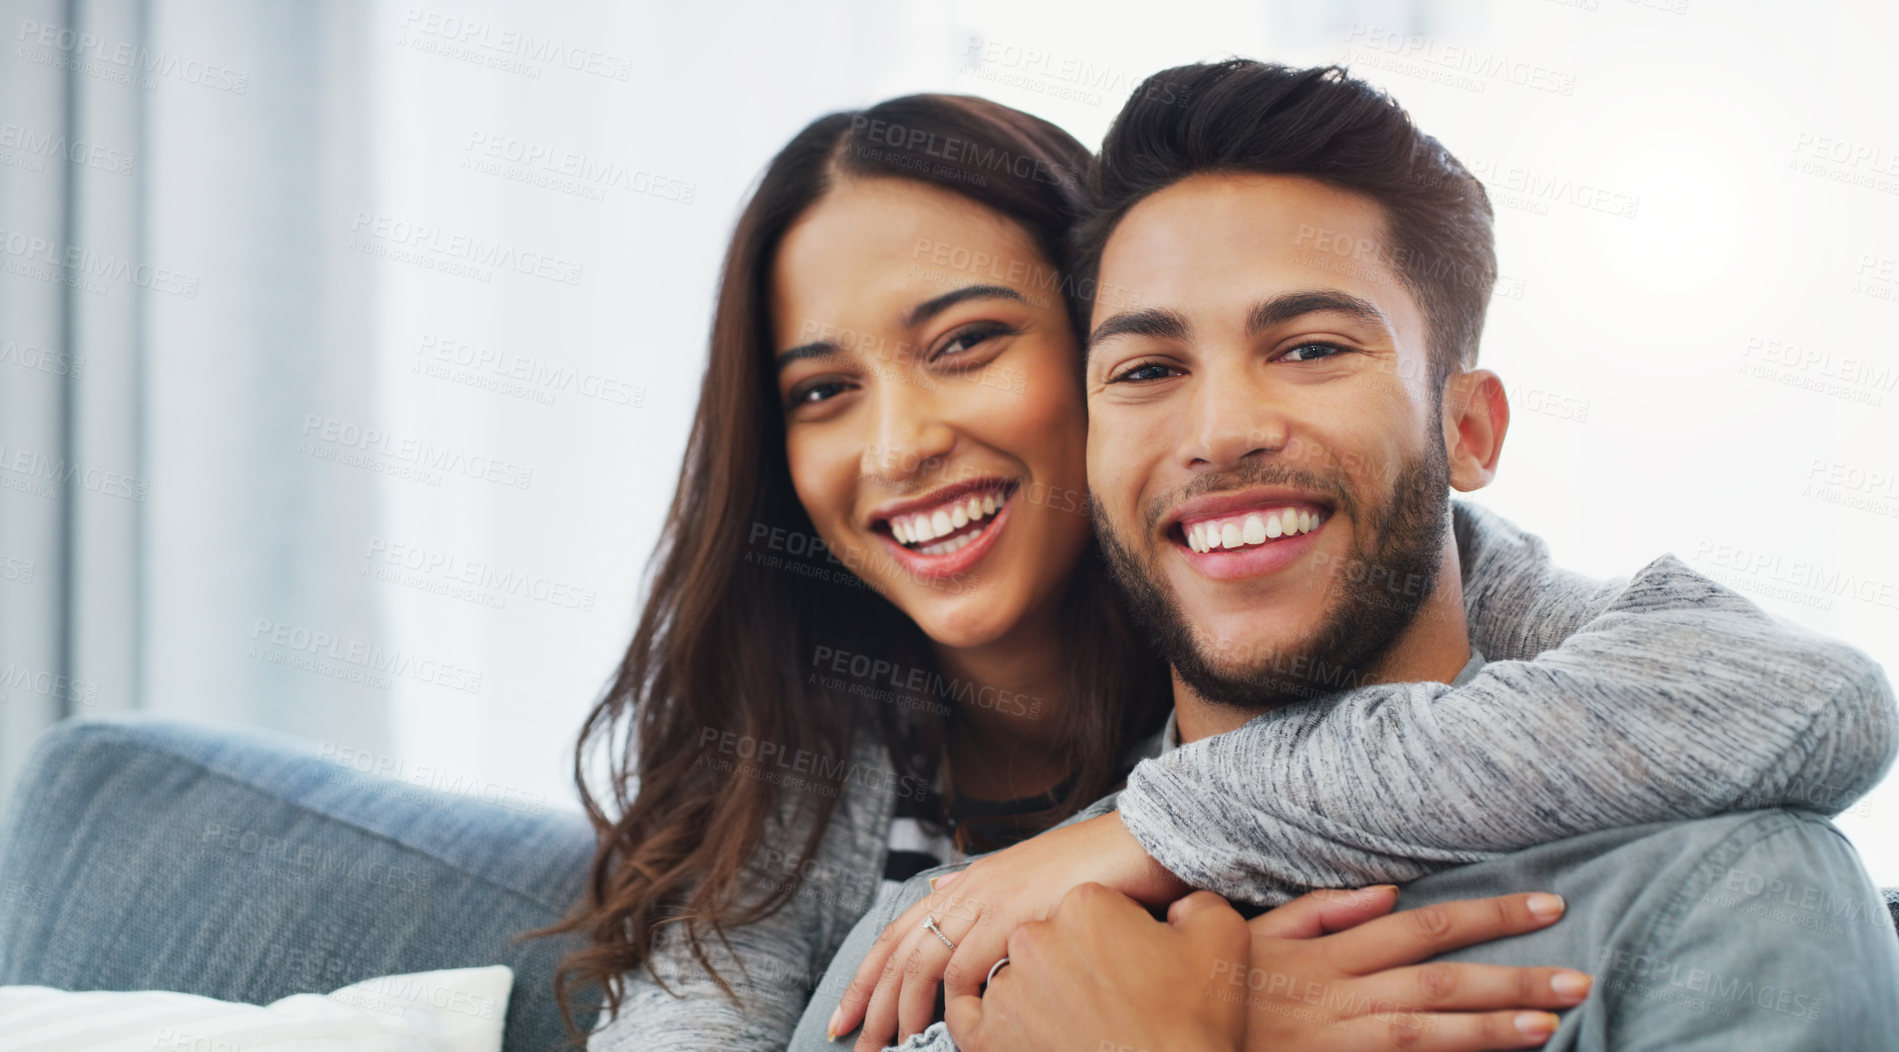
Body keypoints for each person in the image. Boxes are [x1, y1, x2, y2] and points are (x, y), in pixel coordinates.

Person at [530, 94, 1896, 1052]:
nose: (900, 443)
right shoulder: (859, 842)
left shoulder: (1455, 614)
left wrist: (1150, 829)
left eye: (964, 344)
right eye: (823, 390)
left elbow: (1805, 697)